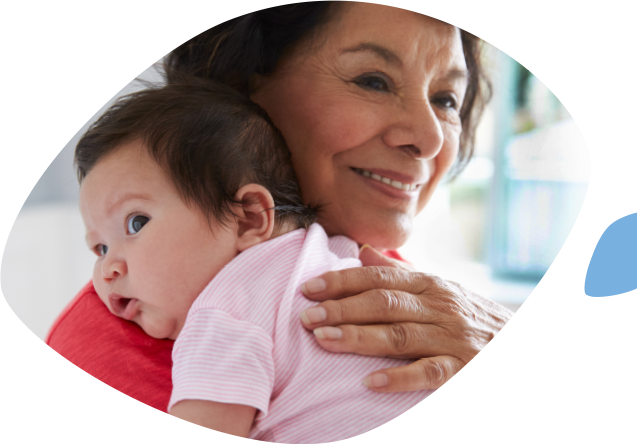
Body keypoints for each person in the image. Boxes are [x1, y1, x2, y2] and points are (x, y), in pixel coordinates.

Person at [47, 1, 514, 418]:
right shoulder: (129, 337)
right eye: (373, 81)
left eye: (446, 100)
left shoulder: (378, 275)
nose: (430, 138)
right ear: (241, 86)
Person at [75, 75, 435, 440]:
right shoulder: (337, 250)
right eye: (99, 247)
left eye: (136, 223)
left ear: (248, 217)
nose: (107, 268)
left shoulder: (220, 318)